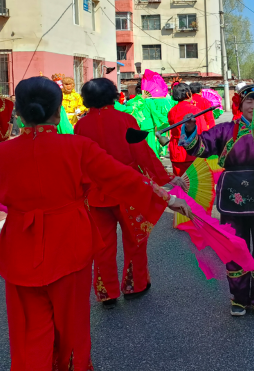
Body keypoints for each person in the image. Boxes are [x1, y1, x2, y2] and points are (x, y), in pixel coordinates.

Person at [0, 76, 190, 369]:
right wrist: (165, 195)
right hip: (68, 243)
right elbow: (123, 176)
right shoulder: (78, 146)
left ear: (18, 113)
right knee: (72, 323)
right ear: (58, 112)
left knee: (28, 330)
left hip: (19, 248)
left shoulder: (0, 153)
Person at [180, 83, 254, 318]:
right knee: (234, 246)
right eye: (249, 101)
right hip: (232, 196)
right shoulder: (225, 130)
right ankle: (239, 298)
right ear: (240, 105)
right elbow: (199, 148)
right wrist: (190, 129)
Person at [75, 78, 183, 306]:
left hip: (96, 194)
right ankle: (135, 285)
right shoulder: (126, 119)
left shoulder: (81, 126)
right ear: (113, 95)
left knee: (102, 246)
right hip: (128, 190)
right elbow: (143, 154)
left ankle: (107, 293)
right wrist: (166, 178)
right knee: (135, 240)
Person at [167, 82, 208, 176]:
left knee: (180, 182)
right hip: (192, 149)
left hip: (176, 149)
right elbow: (202, 130)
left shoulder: (171, 111)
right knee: (196, 184)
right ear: (187, 94)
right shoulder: (194, 110)